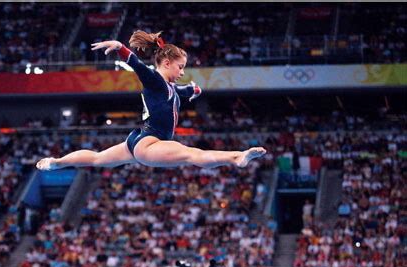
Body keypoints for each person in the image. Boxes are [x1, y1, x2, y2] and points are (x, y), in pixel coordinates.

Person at [36, 31, 266, 171]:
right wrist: (121, 48)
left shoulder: (168, 87)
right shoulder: (155, 80)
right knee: (191, 154)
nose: (182, 72)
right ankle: (237, 157)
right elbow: (138, 67)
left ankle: (56, 163)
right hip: (150, 143)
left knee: (97, 159)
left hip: (139, 139)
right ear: (167, 63)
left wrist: (193, 89)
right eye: (181, 67)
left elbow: (182, 91)